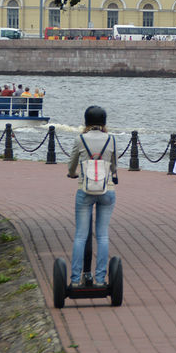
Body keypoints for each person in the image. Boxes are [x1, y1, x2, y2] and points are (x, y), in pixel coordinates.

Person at [66, 106, 118, 287]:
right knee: (102, 235)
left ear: (86, 121)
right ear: (104, 122)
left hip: (85, 189)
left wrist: (72, 173)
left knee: (81, 236)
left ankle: (74, 280)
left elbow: (72, 165)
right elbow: (114, 166)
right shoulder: (111, 139)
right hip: (107, 190)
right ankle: (101, 279)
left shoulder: (80, 139)